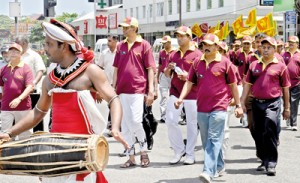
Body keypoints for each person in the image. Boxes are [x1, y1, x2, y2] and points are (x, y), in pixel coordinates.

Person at [0, 19, 128, 183]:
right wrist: (9, 133)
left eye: (49, 44)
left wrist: (115, 128)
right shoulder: (50, 79)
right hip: (55, 151)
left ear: (65, 45)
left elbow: (113, 98)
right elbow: (39, 112)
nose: (45, 49)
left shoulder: (91, 71)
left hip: (82, 150)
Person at [174, 33, 243, 183]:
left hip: (219, 107)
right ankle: (219, 165)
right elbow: (189, 82)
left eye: (209, 45)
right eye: (204, 44)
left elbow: (233, 86)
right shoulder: (197, 62)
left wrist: (238, 105)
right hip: (202, 107)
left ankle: (208, 171)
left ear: (217, 47)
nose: (206, 47)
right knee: (206, 141)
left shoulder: (225, 63)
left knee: (214, 138)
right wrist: (180, 98)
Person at [240, 36, 291, 176]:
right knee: (258, 131)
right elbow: (247, 85)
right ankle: (263, 159)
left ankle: (272, 163)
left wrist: (287, 108)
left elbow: (285, 88)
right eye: (264, 47)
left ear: (275, 50)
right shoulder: (254, 65)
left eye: (269, 47)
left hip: (273, 102)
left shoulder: (281, 66)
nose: (266, 50)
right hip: (257, 103)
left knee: (270, 128)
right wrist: (242, 102)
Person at [113, 17, 156, 168]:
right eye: (123, 27)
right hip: (122, 90)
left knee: (136, 121)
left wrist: (151, 90)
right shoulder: (120, 46)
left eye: (127, 27)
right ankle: (130, 156)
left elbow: (150, 69)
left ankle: (143, 151)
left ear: (134, 28)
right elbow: (116, 69)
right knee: (124, 125)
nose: (124, 29)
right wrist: (113, 88)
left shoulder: (144, 45)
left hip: (138, 89)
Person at [164, 26, 202, 165]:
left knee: (192, 124)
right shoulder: (173, 54)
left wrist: (188, 76)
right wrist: (168, 69)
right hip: (175, 91)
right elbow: (167, 75)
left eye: (182, 36)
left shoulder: (198, 54)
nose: (179, 38)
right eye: (178, 36)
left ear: (189, 37)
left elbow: (202, 77)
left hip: (193, 93)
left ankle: (190, 154)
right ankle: (179, 150)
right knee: (170, 120)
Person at [0, 43, 34, 140]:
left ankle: (26, 154)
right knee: (5, 135)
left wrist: (19, 99)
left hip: (23, 107)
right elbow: (2, 86)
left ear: (21, 54)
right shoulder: (3, 69)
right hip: (6, 107)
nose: (13, 53)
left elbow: (30, 87)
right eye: (11, 51)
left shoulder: (26, 68)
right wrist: (5, 100)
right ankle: (6, 154)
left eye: (16, 51)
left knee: (25, 135)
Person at [15, 36, 47, 132]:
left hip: (33, 92)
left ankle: (37, 138)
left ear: (24, 44)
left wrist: (34, 83)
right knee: (19, 116)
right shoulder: (16, 56)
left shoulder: (34, 55)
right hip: (18, 92)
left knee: (35, 116)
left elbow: (40, 71)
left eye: (18, 44)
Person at [97, 35, 118, 136]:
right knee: (111, 104)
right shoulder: (104, 54)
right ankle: (112, 126)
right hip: (108, 84)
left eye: (110, 41)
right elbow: (99, 69)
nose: (108, 43)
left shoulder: (121, 53)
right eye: (107, 41)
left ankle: (116, 126)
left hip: (120, 83)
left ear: (115, 41)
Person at [157, 35, 174, 123]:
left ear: (169, 42)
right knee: (164, 96)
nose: (163, 45)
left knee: (173, 96)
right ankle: (163, 116)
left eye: (165, 43)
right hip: (163, 76)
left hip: (172, 76)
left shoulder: (175, 52)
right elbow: (160, 65)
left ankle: (175, 115)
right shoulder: (161, 52)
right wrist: (157, 77)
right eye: (162, 43)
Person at [286, 49, 300, 131]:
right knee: (288, 102)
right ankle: (289, 118)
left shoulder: (298, 55)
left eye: (293, 43)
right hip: (287, 83)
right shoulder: (285, 54)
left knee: (294, 102)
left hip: (297, 83)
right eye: (290, 42)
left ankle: (294, 123)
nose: (291, 44)